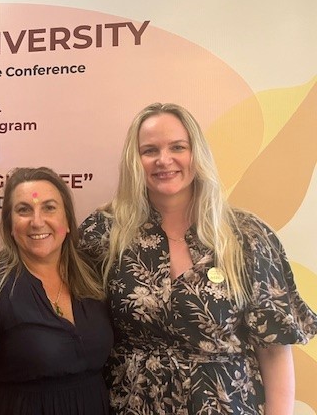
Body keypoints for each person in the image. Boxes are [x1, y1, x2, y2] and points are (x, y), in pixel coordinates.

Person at [79, 102, 317, 414]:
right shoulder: (105, 232)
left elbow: (274, 349)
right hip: (132, 404)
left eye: (178, 147)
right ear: (134, 160)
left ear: (197, 153)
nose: (164, 160)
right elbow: (62, 304)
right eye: (149, 150)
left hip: (226, 404)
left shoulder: (246, 236)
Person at [0, 167, 113, 415]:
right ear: (10, 225)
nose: (37, 221)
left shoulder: (95, 277)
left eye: (49, 208)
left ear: (67, 221)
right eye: (24, 210)